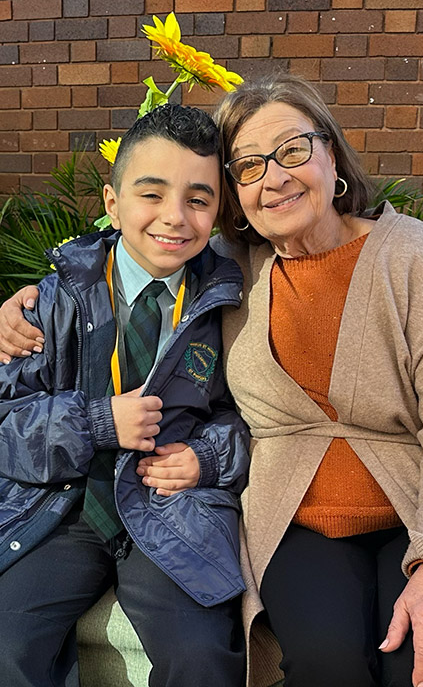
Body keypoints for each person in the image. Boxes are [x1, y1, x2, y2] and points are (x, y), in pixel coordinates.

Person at [5, 75, 423, 687]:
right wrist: (28, 309)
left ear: (332, 153)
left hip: (359, 504)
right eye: (250, 165)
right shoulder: (207, 272)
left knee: (406, 665)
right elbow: (132, 244)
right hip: (218, 512)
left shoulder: (387, 257)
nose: (275, 176)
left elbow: (248, 421)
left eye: (294, 149)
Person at [0, 103, 249, 687]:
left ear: (218, 211)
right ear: (113, 204)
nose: (175, 218)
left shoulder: (231, 305)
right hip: (62, 506)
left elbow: (252, 417)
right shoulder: (51, 304)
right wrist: (96, 425)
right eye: (152, 194)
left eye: (198, 199)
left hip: (171, 510)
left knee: (203, 656)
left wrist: (207, 458)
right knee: (7, 646)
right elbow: (6, 424)